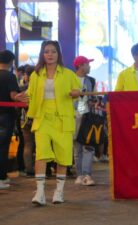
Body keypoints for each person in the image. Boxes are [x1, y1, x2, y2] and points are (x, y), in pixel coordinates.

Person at [23, 40, 81, 205]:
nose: (50, 54)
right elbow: (30, 94)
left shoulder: (68, 74)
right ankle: (40, 193)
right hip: (42, 118)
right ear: (42, 54)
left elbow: (78, 90)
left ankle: (59, 192)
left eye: (53, 51)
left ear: (58, 54)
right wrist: (21, 96)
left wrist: (76, 93)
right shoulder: (36, 74)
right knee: (40, 154)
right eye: (47, 51)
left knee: (62, 156)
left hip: (63, 119)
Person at [0, 50, 27, 189]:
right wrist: (20, 97)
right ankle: (1, 178)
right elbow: (13, 95)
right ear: (11, 62)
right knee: (3, 146)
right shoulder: (9, 76)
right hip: (5, 116)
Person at [73, 56, 97, 186]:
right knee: (77, 148)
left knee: (88, 145)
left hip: (87, 115)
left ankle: (87, 174)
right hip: (72, 115)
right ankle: (80, 175)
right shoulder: (69, 78)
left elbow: (93, 98)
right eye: (88, 64)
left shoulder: (91, 81)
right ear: (81, 65)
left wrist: (93, 101)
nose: (90, 66)